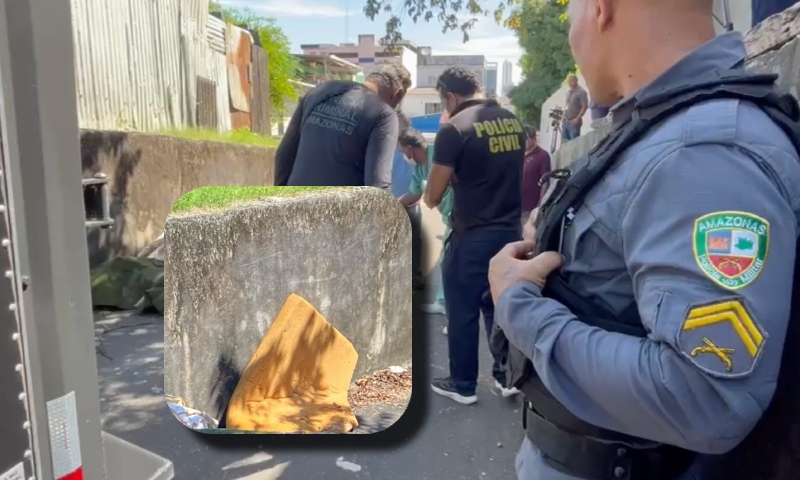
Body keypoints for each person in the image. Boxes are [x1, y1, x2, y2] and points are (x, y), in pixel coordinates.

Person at [488, 0, 800, 479]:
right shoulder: (668, 129)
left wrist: (518, 305)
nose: (571, 32)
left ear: (600, 8)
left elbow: (706, 400)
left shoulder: (702, 149)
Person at [424, 66, 525, 404]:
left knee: (462, 310)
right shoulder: (513, 122)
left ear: (451, 96)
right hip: (512, 234)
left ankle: (464, 384)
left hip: (472, 237)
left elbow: (432, 196)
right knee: (499, 308)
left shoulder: (454, 130)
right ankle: (507, 376)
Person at [274, 63, 412, 189]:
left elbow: (285, 153)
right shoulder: (384, 115)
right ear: (398, 93)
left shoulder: (320, 91)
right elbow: (378, 184)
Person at [397, 127, 454, 318]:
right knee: (448, 259)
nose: (403, 155)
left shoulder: (438, 156)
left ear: (408, 148)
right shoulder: (419, 168)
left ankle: (447, 304)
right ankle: (443, 301)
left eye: (402, 150)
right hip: (450, 218)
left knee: (450, 259)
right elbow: (414, 194)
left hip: (462, 215)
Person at [391, 142, 424, 290]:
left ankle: (414, 276)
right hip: (393, 203)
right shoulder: (385, 151)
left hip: (409, 204)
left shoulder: (412, 154)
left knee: (413, 242)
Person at [520, 125, 550, 226]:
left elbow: (545, 181)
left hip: (531, 208)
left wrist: (540, 205)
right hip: (517, 207)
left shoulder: (542, 155)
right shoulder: (519, 154)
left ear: (533, 138)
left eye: (525, 139)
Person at [561, 74, 588, 143]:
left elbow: (584, 106)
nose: (569, 83)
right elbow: (567, 105)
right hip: (566, 121)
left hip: (574, 122)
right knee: (564, 143)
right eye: (568, 81)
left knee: (574, 143)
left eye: (571, 81)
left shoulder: (581, 92)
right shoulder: (568, 93)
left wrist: (577, 118)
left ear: (576, 80)